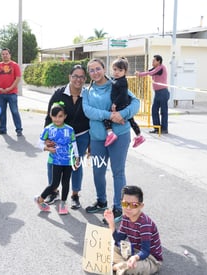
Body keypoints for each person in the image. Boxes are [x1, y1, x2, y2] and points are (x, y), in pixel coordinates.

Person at [82, 58, 140, 223]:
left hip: (119, 136)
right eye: (91, 70)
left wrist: (122, 114)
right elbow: (88, 111)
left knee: (118, 172)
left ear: (104, 68)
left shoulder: (117, 84)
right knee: (98, 171)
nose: (95, 72)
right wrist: (110, 115)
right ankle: (101, 201)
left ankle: (118, 208)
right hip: (98, 138)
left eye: (98, 68)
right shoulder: (87, 91)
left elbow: (136, 103)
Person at [43, 65, 90, 210]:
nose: (78, 79)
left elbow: (92, 118)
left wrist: (91, 142)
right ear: (70, 77)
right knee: (54, 164)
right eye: (75, 76)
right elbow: (49, 116)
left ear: (85, 79)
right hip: (59, 137)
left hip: (81, 136)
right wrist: (46, 138)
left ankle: (75, 195)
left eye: (81, 77)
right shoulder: (59, 94)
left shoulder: (88, 95)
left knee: (76, 165)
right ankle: (53, 191)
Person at [103, 185, 163, 275]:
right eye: (125, 204)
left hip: (151, 259)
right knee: (108, 248)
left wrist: (135, 257)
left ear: (141, 206)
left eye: (133, 205)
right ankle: (120, 266)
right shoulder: (126, 217)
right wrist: (111, 223)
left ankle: (117, 266)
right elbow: (119, 239)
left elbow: (145, 251)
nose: (128, 208)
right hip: (133, 252)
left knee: (131, 268)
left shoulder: (144, 223)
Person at [35, 103, 79, 215]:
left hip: (69, 160)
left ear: (65, 116)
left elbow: (74, 144)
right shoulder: (48, 129)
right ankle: (39, 199)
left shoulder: (70, 129)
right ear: (50, 116)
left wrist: (77, 157)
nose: (57, 119)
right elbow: (38, 144)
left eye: (60, 116)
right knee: (54, 184)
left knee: (66, 183)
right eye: (54, 116)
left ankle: (63, 204)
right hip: (55, 161)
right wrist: (47, 149)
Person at [104, 57, 145, 148]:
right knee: (131, 120)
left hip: (121, 105)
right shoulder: (119, 80)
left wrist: (115, 103)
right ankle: (139, 136)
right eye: (115, 69)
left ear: (125, 72)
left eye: (120, 70)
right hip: (124, 104)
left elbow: (122, 94)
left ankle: (110, 133)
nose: (117, 72)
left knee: (106, 117)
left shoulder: (123, 82)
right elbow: (113, 82)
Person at [0, 48, 23, 136]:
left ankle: (19, 129)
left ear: (10, 55)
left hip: (12, 93)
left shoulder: (15, 65)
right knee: (1, 112)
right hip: (1, 94)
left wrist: (10, 88)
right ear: (1, 55)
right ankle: (2, 129)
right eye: (3, 54)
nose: (5, 55)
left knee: (14, 111)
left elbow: (18, 78)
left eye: (6, 54)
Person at [135, 54, 170, 134]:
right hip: (157, 93)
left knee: (163, 111)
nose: (152, 62)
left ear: (159, 61)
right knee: (154, 110)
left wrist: (139, 74)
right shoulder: (156, 68)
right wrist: (140, 73)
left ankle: (164, 128)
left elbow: (151, 73)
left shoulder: (161, 67)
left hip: (163, 92)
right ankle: (157, 128)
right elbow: (149, 72)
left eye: (154, 60)